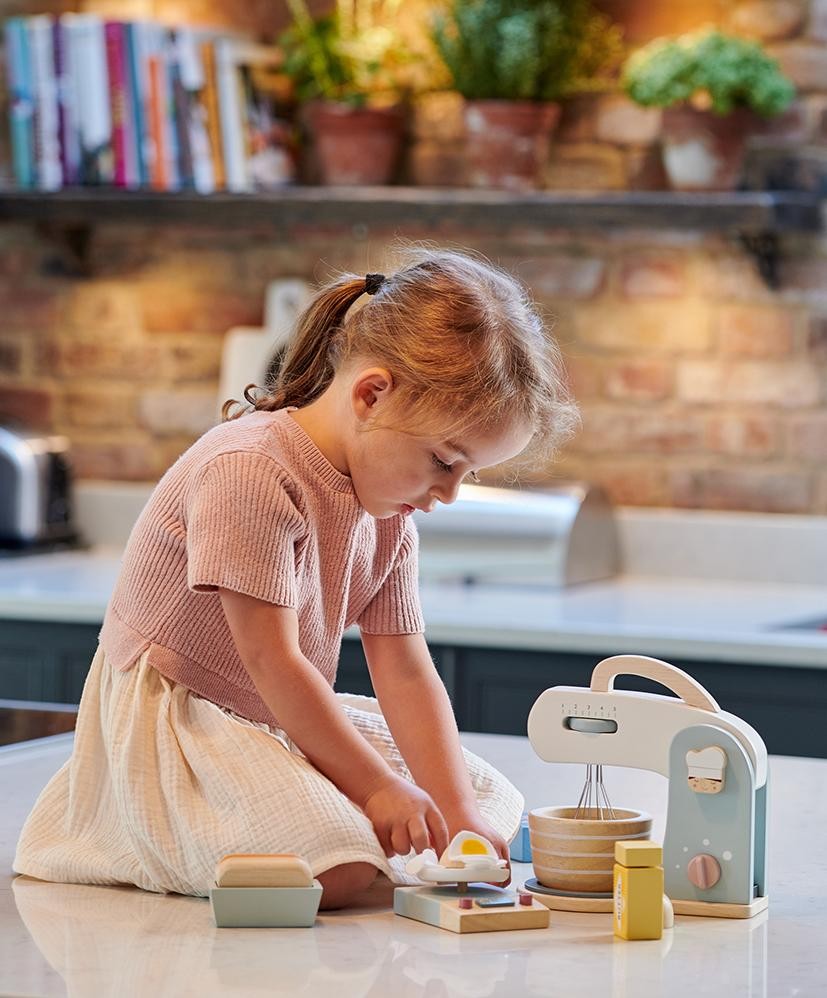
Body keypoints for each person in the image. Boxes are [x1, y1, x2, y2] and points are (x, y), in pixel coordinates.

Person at [14, 247, 579, 909]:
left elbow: (402, 665)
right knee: (336, 866)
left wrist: (455, 812)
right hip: (185, 720)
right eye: (442, 461)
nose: (448, 493)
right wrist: (376, 790)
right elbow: (272, 662)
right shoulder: (250, 470)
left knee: (486, 805)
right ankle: (141, 836)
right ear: (372, 394)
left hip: (269, 716)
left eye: (467, 473)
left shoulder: (388, 509)